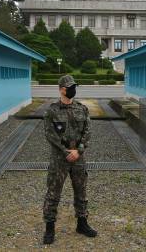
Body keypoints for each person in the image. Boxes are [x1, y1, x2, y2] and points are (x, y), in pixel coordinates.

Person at [42, 75, 97, 244]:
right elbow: (50, 135)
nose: (73, 90)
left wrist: (78, 151)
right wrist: (66, 152)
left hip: (78, 158)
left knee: (81, 192)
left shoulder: (82, 109)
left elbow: (87, 131)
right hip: (60, 158)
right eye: (69, 87)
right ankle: (49, 229)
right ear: (61, 89)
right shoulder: (52, 111)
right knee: (53, 193)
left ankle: (82, 223)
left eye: (74, 86)